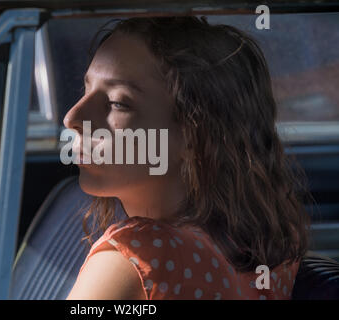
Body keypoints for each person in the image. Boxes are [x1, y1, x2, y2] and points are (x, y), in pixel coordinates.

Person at [64, 16, 311, 300]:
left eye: (119, 102)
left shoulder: (136, 258)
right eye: (86, 89)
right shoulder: (270, 243)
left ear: (193, 137)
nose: (73, 117)